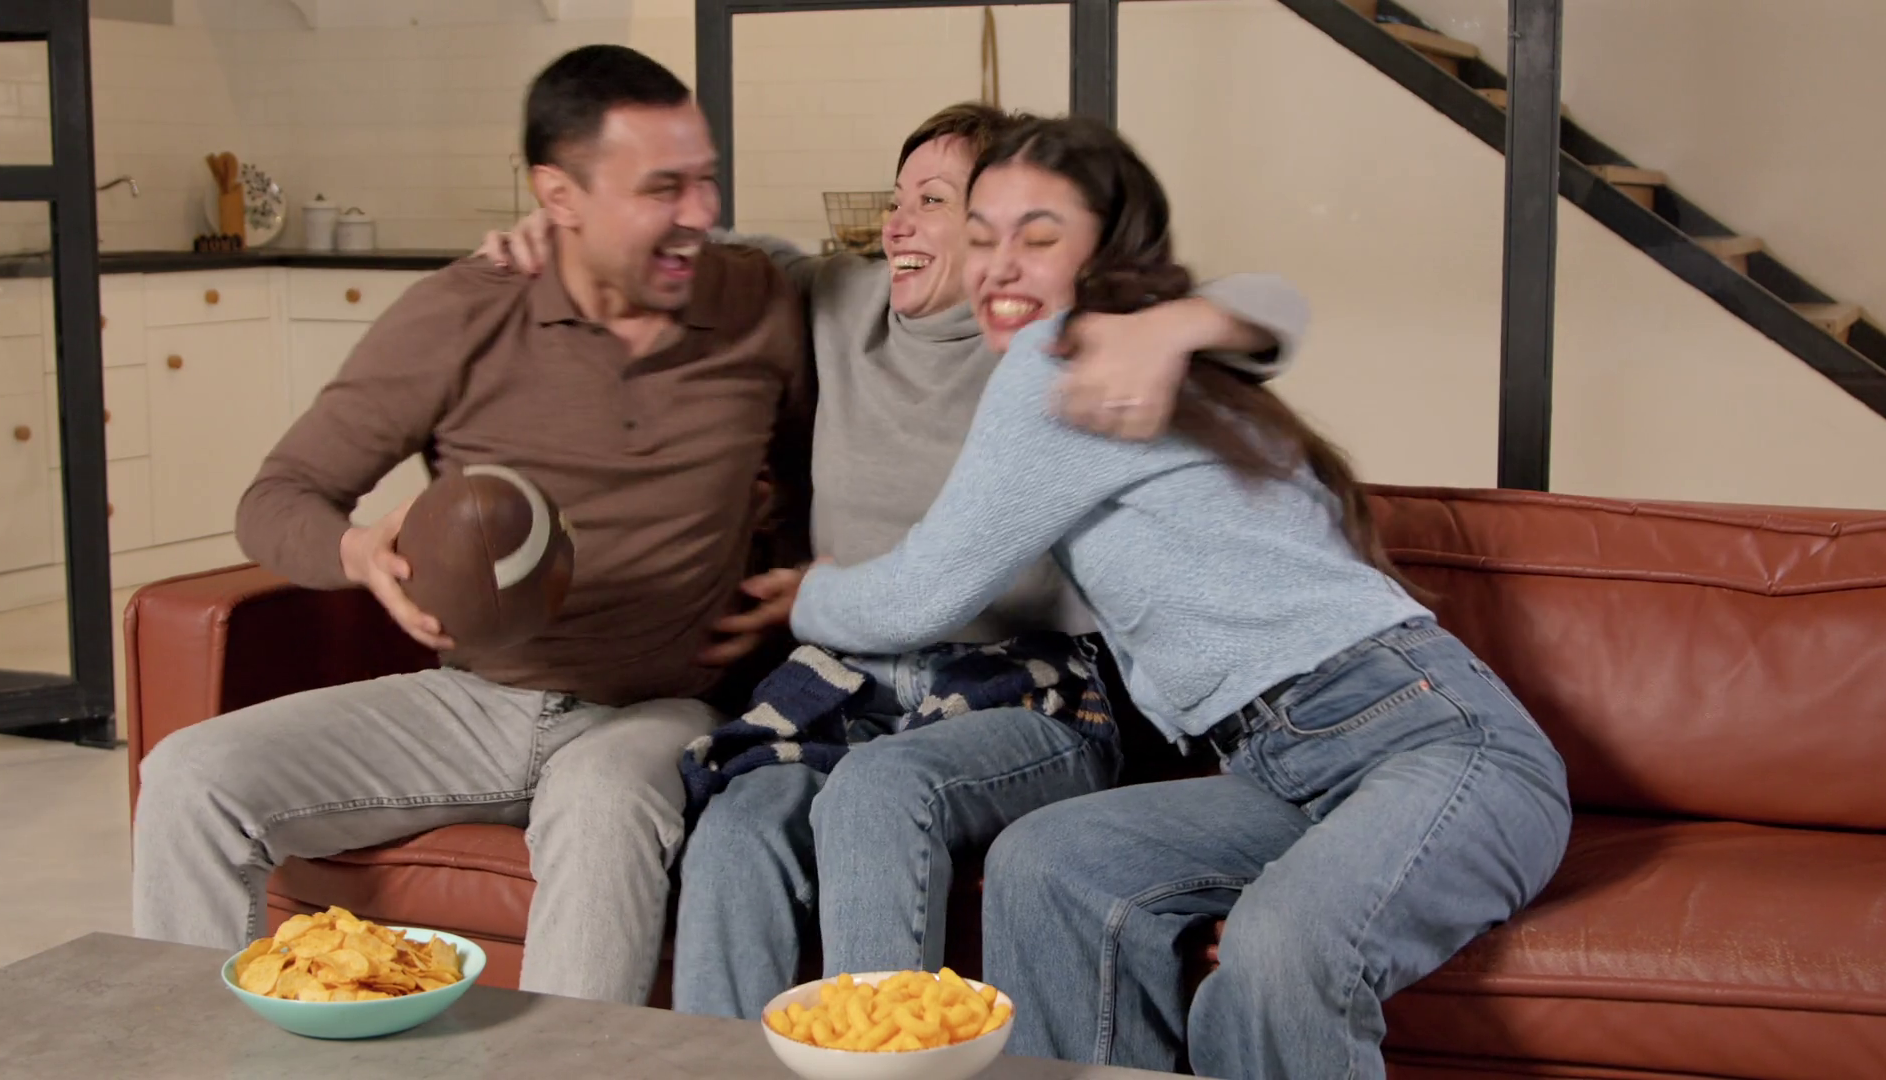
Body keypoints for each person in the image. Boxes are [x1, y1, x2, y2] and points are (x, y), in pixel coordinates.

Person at [478, 103, 1310, 1021]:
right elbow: (704, 253)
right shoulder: (841, 298)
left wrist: (1175, 324)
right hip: (845, 683)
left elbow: (1274, 308)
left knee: (881, 788)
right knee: (736, 826)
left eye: (935, 202)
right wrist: (568, 234)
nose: (899, 224)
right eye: (897, 199)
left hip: (1027, 689)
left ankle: (885, 1058)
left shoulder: (1045, 329)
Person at [786, 115, 1574, 1079]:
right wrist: (1182, 320)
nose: (998, 266)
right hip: (1276, 769)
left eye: (1039, 236)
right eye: (983, 236)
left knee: (1282, 949)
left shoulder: (1063, 363)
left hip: (1439, 742)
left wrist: (803, 596)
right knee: (1049, 864)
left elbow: (923, 592)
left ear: (1104, 249)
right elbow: (1274, 306)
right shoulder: (1141, 356)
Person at [130, 44, 809, 1006]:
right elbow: (278, 498)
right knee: (189, 779)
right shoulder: (460, 314)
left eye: (706, 180)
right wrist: (359, 552)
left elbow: (834, 439)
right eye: (663, 188)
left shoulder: (758, 301)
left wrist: (806, 574)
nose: (700, 213)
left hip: (665, 706)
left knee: (605, 802)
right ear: (558, 195)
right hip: (479, 700)